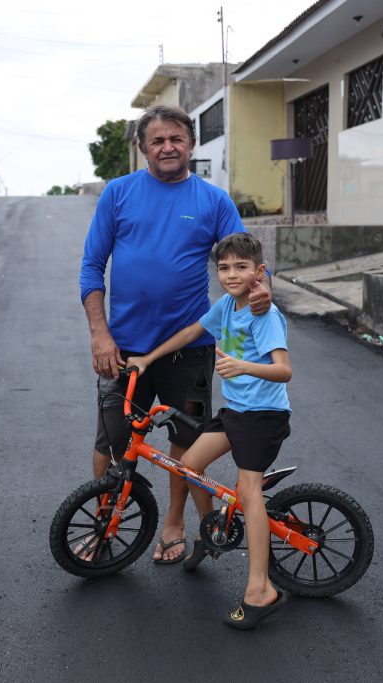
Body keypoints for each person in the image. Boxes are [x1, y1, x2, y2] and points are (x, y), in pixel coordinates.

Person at [79, 103, 271, 564]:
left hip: (190, 350)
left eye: (176, 139)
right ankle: (105, 525)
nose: (167, 147)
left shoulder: (213, 200)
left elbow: (247, 263)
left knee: (185, 445)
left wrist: (260, 291)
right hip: (124, 351)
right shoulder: (119, 193)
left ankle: (173, 523)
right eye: (157, 140)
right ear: (143, 147)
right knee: (113, 440)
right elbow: (91, 267)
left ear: (190, 144)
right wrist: (100, 336)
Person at [127, 232, 292, 630]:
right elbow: (191, 332)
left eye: (241, 267)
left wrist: (242, 366)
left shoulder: (262, 315)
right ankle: (211, 530)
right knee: (186, 464)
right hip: (236, 412)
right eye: (224, 268)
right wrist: (148, 359)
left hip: (263, 415)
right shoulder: (226, 307)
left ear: (259, 271)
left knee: (248, 491)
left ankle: (260, 588)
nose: (232, 275)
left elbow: (283, 369)